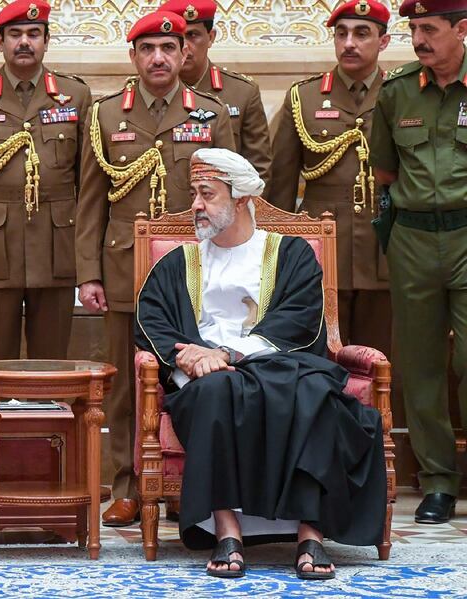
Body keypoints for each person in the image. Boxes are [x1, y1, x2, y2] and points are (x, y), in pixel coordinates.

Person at [135, 148, 386, 580]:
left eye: (207, 195)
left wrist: (230, 354)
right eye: (194, 193)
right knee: (217, 391)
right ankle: (226, 530)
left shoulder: (290, 255)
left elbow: (300, 319)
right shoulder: (179, 262)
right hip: (207, 378)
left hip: (278, 367)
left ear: (241, 199)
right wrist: (190, 357)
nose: (195, 205)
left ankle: (311, 532)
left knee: (316, 392)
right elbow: (151, 320)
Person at [75, 10, 235, 527]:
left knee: (190, 374)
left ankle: (184, 482)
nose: (159, 57)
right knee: (126, 383)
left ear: (185, 52)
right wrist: (88, 272)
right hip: (126, 268)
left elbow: (230, 198)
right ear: (134, 57)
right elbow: (91, 201)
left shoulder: (210, 115)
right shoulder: (105, 116)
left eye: (169, 47)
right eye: (147, 49)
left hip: (196, 267)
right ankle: (128, 485)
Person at [0, 0, 92, 361]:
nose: (24, 42)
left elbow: (88, 185)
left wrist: (89, 260)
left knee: (52, 359)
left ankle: (46, 417)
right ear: (0, 42)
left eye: (33, 34)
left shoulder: (76, 95)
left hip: (58, 241)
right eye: (15, 34)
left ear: (46, 40)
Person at [370, 0, 467, 524]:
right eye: (414, 29)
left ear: (462, 30)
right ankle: (437, 482)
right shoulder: (398, 91)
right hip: (412, 238)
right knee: (421, 365)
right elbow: (385, 171)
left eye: (430, 29)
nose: (419, 39)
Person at [268, 0, 392, 357]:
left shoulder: (398, 93)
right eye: (341, 34)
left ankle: (383, 417)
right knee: (318, 357)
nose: (349, 43)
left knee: (382, 357)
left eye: (361, 33)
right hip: (320, 250)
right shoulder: (304, 97)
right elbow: (280, 186)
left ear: (383, 41)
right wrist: (277, 258)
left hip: (384, 245)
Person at [159, 0, 272, 185]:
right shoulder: (151, 93)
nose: (185, 47)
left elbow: (258, 170)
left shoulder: (242, 93)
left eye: (193, 35)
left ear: (211, 37)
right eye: (177, 38)